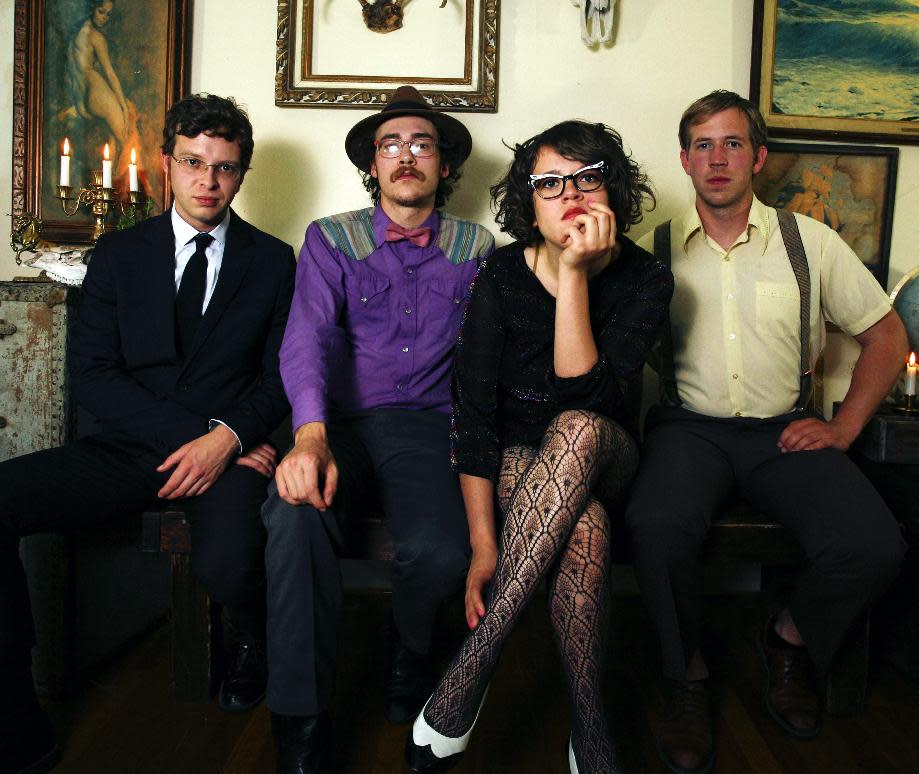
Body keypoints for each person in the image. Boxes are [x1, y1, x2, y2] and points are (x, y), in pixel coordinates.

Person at [0, 93, 295, 774]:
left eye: (224, 167)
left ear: (241, 173)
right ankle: (17, 707)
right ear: (167, 163)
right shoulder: (117, 255)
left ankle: (250, 640)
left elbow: (283, 373)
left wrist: (226, 442)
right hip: (134, 447)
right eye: (193, 162)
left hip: (228, 457)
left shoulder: (275, 260)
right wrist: (207, 434)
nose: (207, 181)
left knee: (228, 565)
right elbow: (95, 377)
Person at [626, 90, 908, 774]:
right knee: (655, 527)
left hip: (785, 431)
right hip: (686, 432)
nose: (716, 158)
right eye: (701, 145)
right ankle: (686, 679)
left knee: (873, 546)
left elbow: (885, 335)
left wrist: (842, 427)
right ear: (684, 161)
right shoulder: (650, 251)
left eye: (730, 143)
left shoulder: (807, 241)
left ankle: (786, 641)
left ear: (756, 157)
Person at [406, 121, 674, 774]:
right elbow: (472, 423)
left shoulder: (646, 279)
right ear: (528, 202)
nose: (570, 196)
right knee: (583, 531)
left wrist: (575, 273)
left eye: (587, 178)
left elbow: (587, 396)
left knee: (575, 428)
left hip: (605, 453)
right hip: (512, 467)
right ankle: (590, 728)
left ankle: (476, 660)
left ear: (614, 188)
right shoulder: (499, 275)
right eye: (549, 183)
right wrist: (483, 545)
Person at [262, 86, 494, 773]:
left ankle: (410, 652)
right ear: (372, 163)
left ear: (445, 166)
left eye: (421, 143)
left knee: (440, 550)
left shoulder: (475, 246)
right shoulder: (329, 238)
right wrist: (307, 437)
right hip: (337, 426)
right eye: (390, 144)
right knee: (293, 517)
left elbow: (489, 358)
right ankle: (300, 718)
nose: (405, 155)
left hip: (427, 429)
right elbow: (304, 339)